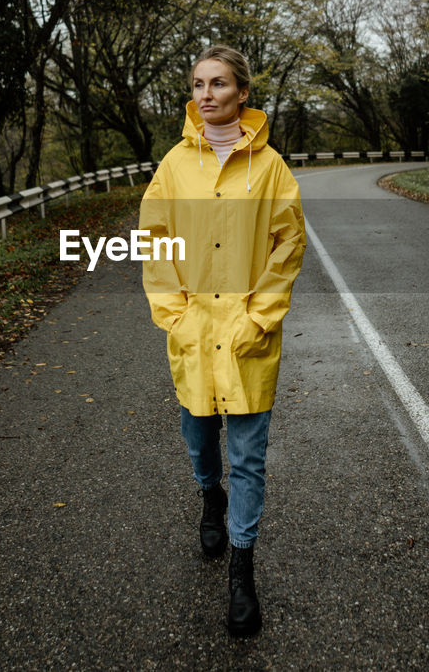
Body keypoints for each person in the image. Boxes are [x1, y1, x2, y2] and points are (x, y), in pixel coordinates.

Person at [139, 45, 305, 637]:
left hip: (248, 336)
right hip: (191, 332)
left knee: (248, 458)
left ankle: (242, 573)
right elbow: (154, 244)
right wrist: (177, 317)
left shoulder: (271, 169)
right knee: (199, 441)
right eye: (198, 83)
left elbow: (288, 247)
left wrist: (258, 318)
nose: (206, 93)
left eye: (219, 84)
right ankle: (209, 497)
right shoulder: (174, 167)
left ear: (242, 93)